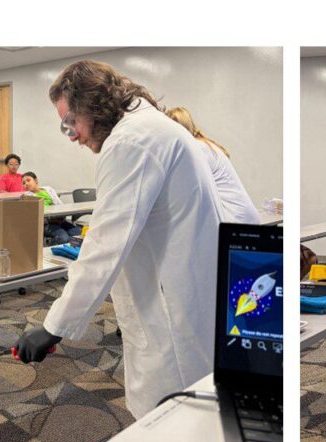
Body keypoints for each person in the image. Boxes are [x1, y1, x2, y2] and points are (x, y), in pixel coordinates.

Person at [14, 60, 222, 419]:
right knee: (187, 414)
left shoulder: (132, 140)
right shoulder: (150, 127)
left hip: (173, 307)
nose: (73, 136)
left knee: (171, 419)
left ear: (94, 106)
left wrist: (53, 326)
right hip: (182, 290)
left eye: (71, 123)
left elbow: (105, 245)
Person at [165, 106, 259, 224]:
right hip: (244, 217)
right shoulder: (205, 145)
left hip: (235, 221)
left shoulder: (198, 149)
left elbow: (186, 191)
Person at [21, 171, 80, 245]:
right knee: (63, 238)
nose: (26, 184)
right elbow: (34, 215)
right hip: (46, 224)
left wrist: (60, 215)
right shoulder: (27, 196)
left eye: (28, 180)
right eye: (23, 183)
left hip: (60, 219)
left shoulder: (48, 189)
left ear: (35, 180)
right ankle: (51, 246)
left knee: (78, 233)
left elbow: (59, 203)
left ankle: (72, 248)